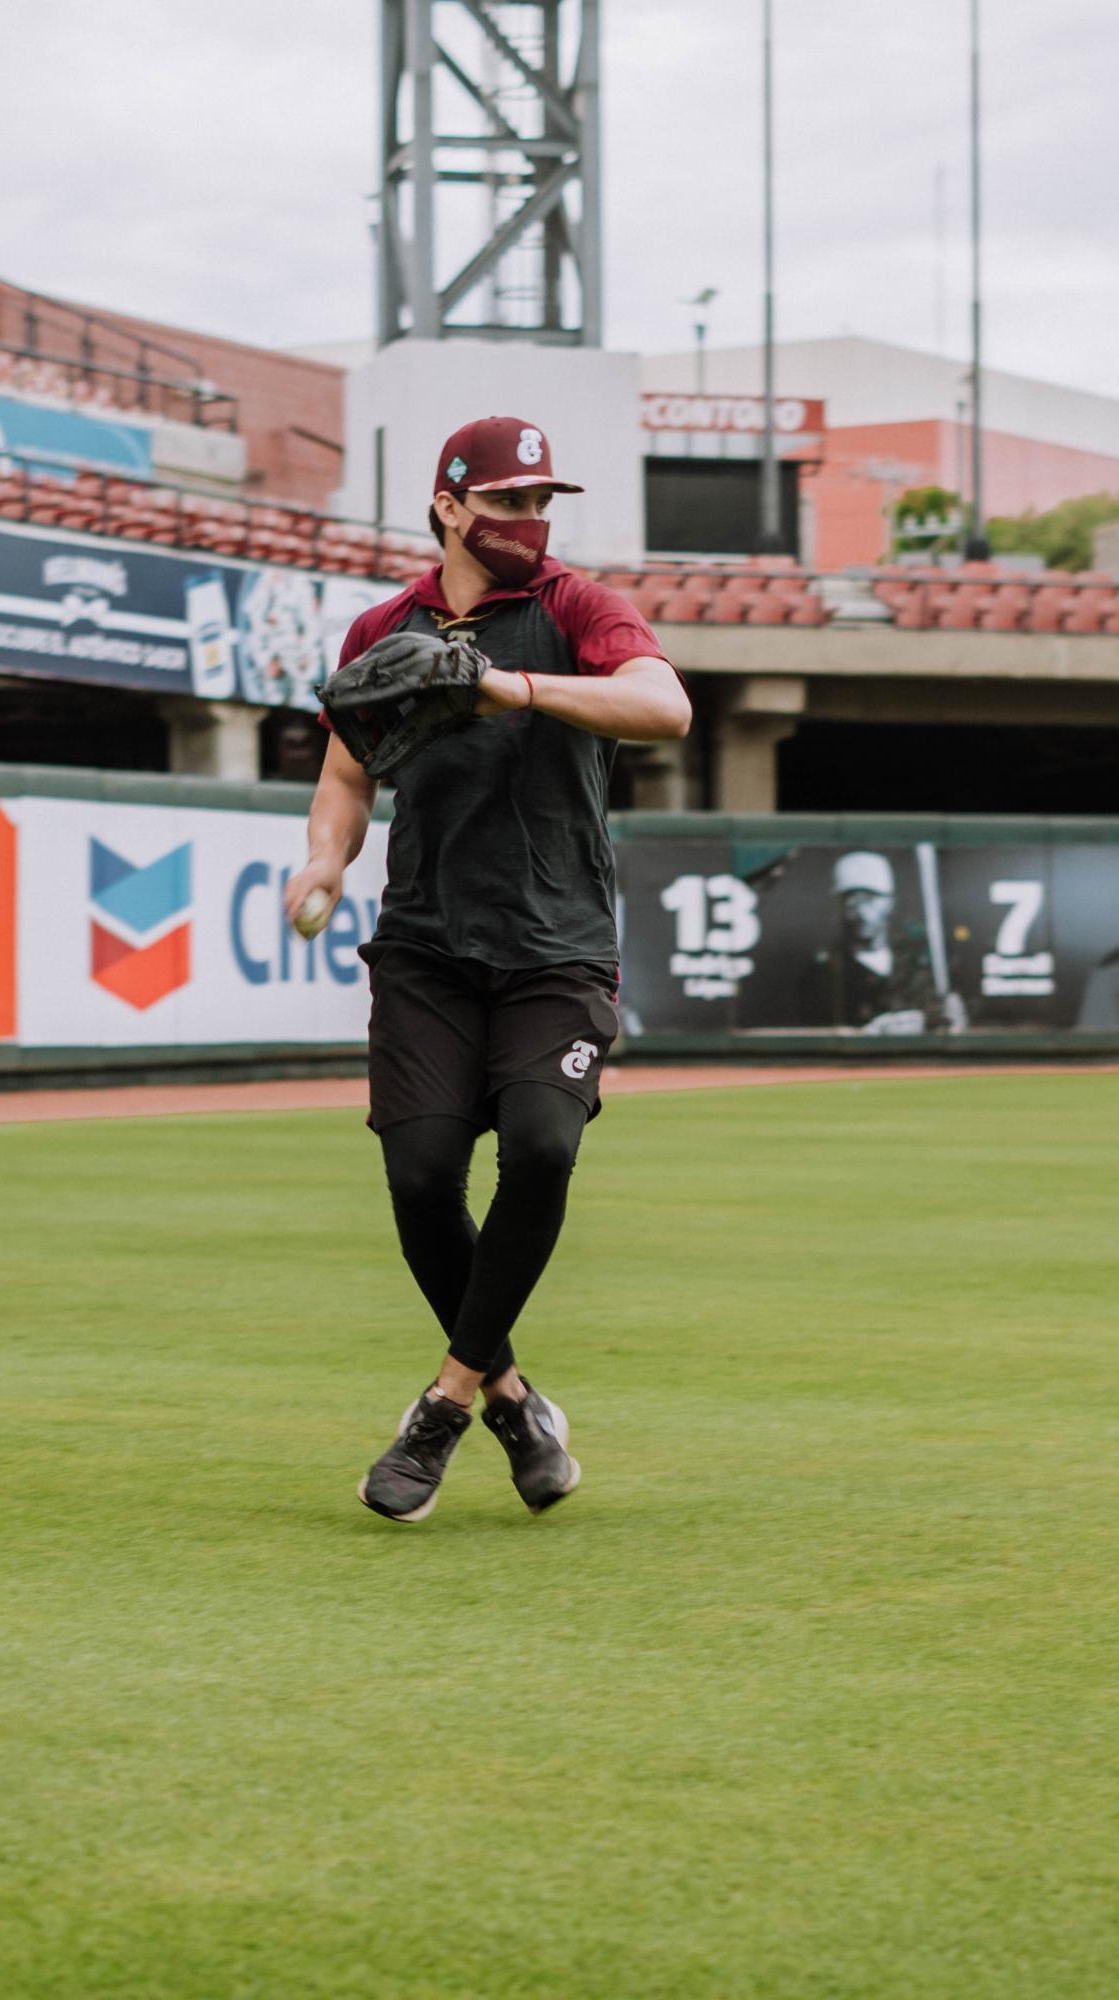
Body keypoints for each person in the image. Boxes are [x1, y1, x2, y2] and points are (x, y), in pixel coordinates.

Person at [284, 415, 691, 1523]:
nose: (528, 522)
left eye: (539, 503)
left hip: (556, 944)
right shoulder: (383, 626)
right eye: (506, 503)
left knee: (541, 1145)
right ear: (448, 507)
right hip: (424, 945)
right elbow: (347, 769)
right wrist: (324, 857)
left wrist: (508, 686)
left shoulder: (576, 607)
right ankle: (514, 1398)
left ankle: (445, 1404)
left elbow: (667, 705)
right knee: (419, 1176)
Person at [798, 851, 966, 1033]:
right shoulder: (825, 973)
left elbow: (953, 1022)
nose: (862, 911)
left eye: (871, 899)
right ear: (837, 907)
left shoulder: (923, 963)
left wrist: (955, 1020)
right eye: (851, 902)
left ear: (890, 902)